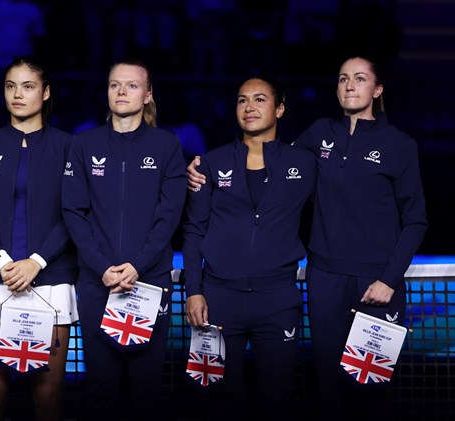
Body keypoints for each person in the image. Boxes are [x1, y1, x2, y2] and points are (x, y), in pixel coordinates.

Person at [186, 56, 428, 415]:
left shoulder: (400, 146)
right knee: (327, 385)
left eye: (360, 79)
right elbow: (273, 159)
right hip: (323, 278)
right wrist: (200, 167)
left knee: (375, 387)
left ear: (376, 90)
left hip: (377, 282)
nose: (349, 85)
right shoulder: (319, 134)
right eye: (343, 78)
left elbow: (416, 222)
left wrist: (389, 278)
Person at [181, 76, 316, 417]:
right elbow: (194, 231)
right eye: (242, 100)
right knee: (217, 401)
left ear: (280, 109)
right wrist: (194, 291)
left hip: (277, 300)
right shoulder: (209, 164)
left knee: (278, 399)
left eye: (259, 99)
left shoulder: (304, 163)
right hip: (217, 300)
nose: (249, 107)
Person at [61, 59, 187, 419]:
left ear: (148, 95)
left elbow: (169, 215)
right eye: (115, 84)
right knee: (100, 389)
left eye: (132, 86)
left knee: (146, 390)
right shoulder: (84, 144)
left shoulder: (166, 145)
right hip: (97, 282)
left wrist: (138, 265)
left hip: (148, 282)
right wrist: (102, 267)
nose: (121, 91)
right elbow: (74, 211)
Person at [0, 56, 78, 421]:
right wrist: (2, 261)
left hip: (50, 279)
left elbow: (74, 214)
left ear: (45, 93)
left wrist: (37, 262)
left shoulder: (68, 146)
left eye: (28, 86)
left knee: (47, 396)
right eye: (11, 86)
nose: (18, 94)